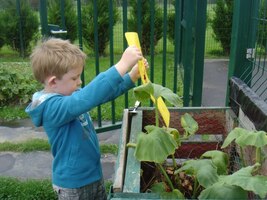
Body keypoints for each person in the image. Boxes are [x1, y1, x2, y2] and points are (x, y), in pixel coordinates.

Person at [25, 38, 147, 200]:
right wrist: (122, 65)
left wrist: (130, 77)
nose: (79, 82)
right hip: (73, 185)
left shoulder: (68, 94)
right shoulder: (51, 108)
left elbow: (99, 95)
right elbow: (87, 97)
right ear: (53, 81)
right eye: (74, 78)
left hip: (92, 174)